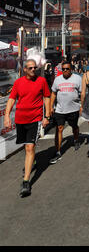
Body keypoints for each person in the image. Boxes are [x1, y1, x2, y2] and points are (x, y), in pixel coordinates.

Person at [4, 59, 51, 197]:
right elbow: (12, 99)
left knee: (30, 147)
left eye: (35, 68)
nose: (33, 70)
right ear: (24, 69)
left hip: (35, 119)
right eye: (30, 68)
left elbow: (47, 97)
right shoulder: (18, 83)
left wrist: (46, 116)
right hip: (20, 119)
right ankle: (33, 160)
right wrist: (7, 116)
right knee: (26, 147)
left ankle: (26, 182)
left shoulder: (41, 81)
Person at [49, 60, 82, 164]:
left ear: (71, 69)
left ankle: (76, 140)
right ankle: (58, 151)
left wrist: (82, 106)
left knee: (74, 126)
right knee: (59, 129)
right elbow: (53, 93)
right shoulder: (57, 80)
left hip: (73, 109)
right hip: (60, 109)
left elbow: (82, 93)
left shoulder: (77, 78)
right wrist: (51, 106)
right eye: (63, 69)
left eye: (67, 69)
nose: (65, 71)